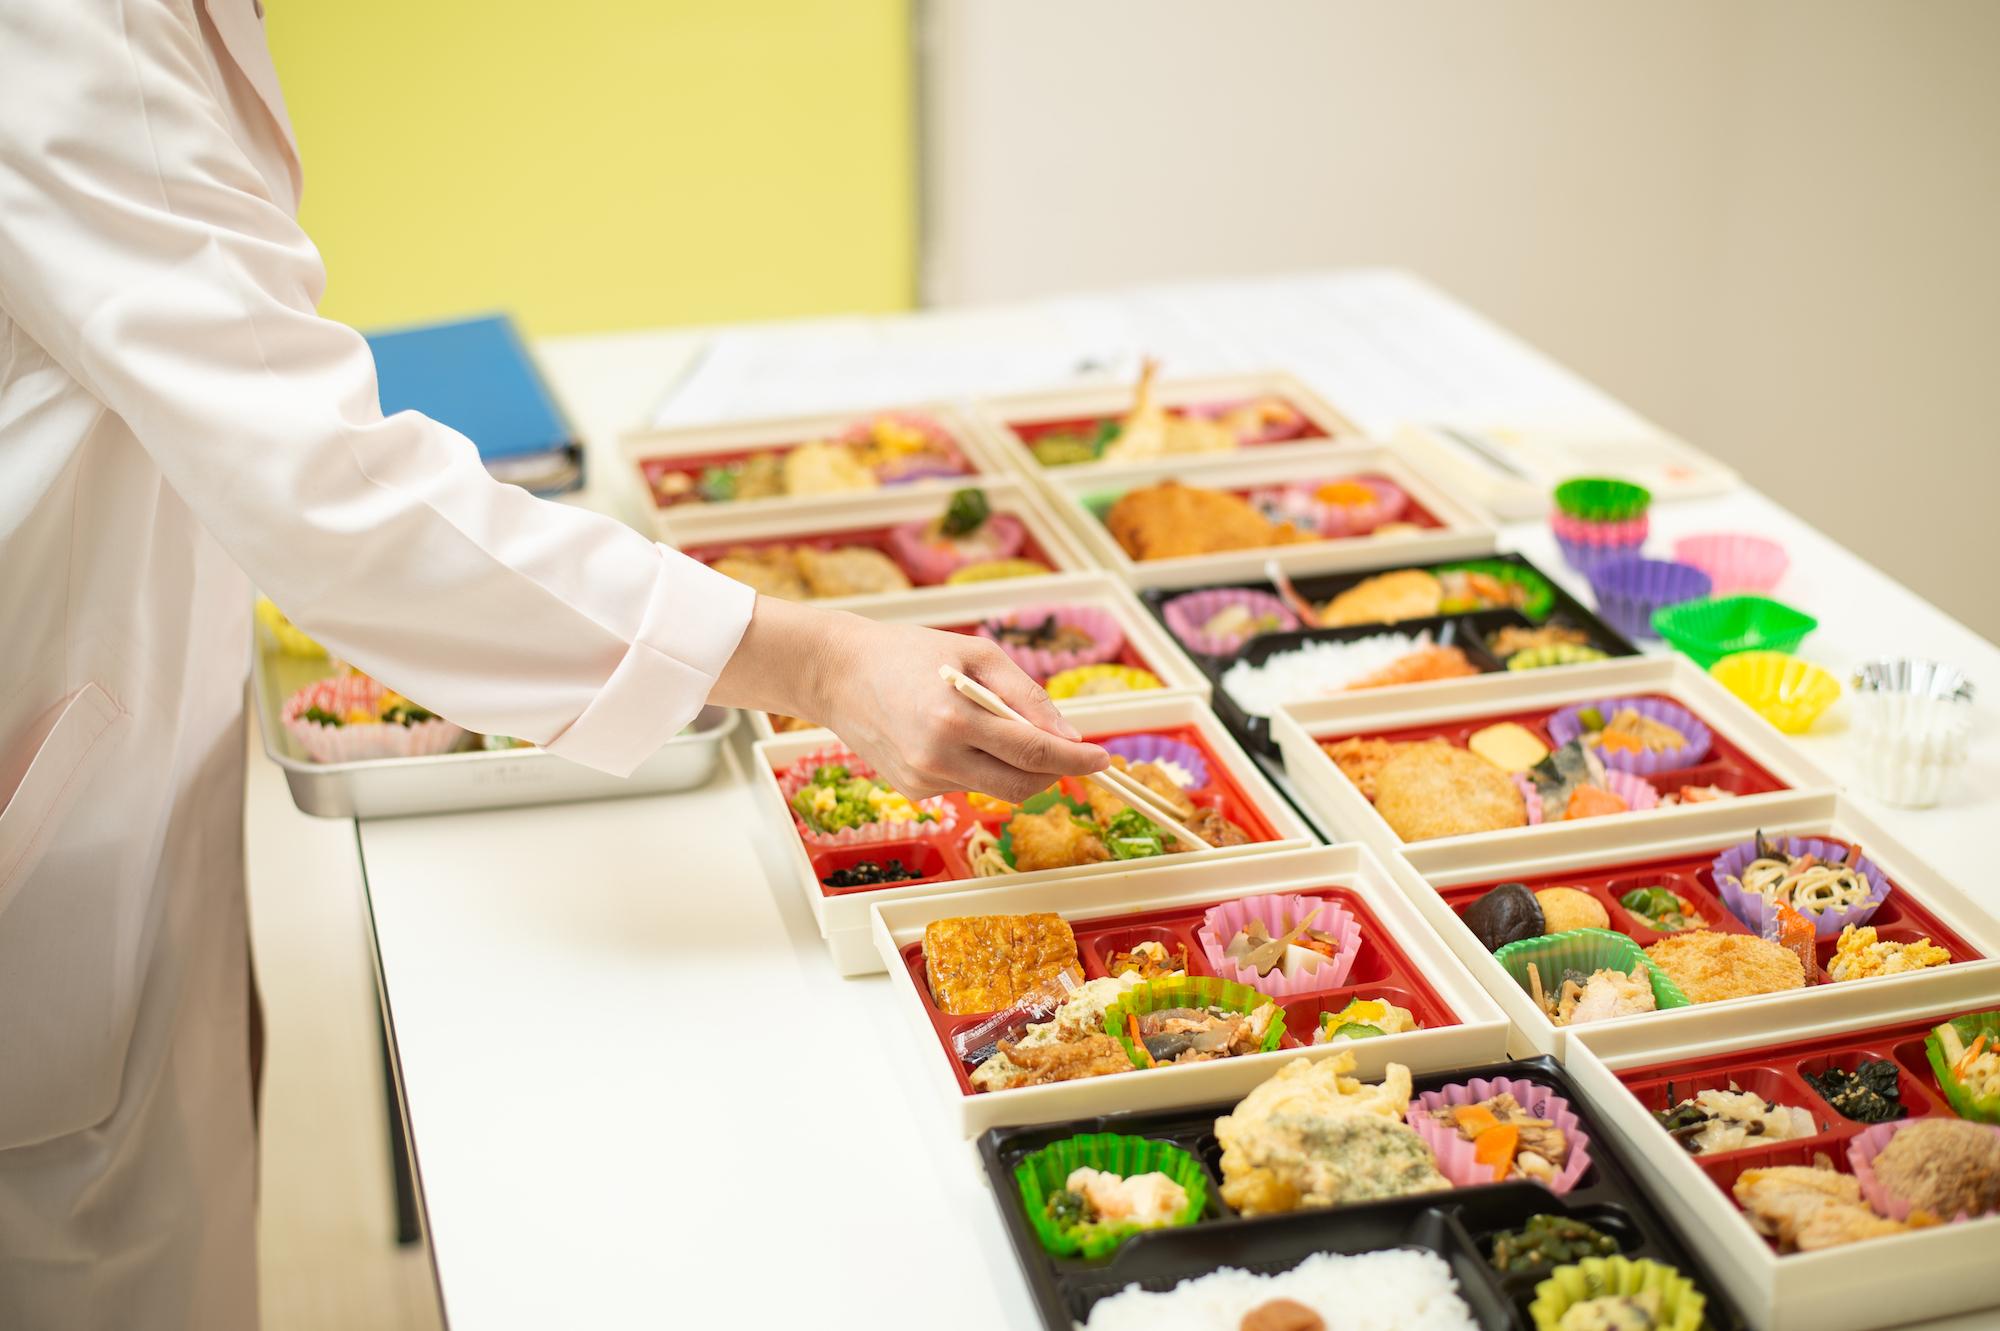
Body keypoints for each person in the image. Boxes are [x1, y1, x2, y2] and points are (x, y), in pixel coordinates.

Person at [0, 2, 1108, 1327]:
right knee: (98, 1256)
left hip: (96, 708)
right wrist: (813, 661)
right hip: (54, 770)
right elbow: (331, 499)